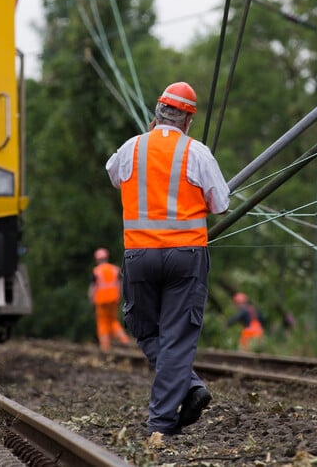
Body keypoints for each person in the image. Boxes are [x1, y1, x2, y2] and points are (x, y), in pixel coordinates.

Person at [106, 81, 230, 436]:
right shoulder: (198, 152)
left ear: (155, 115)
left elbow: (114, 175)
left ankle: (177, 401)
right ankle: (168, 413)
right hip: (186, 257)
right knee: (176, 335)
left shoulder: (131, 148)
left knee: (142, 327)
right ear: (188, 120)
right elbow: (220, 204)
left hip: (139, 255)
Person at [88, 247, 131, 351]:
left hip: (101, 301)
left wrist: (90, 298)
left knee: (102, 322)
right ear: (107, 257)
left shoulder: (96, 271)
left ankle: (105, 346)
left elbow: (93, 287)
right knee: (113, 320)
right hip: (113, 299)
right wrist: (121, 296)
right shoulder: (115, 269)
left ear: (97, 259)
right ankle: (124, 340)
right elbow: (120, 284)